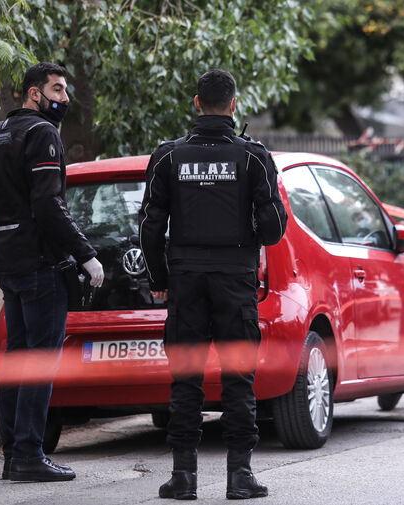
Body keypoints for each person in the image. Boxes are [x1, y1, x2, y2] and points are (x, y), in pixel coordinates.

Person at [0, 62, 104, 482]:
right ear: (34, 94)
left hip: (10, 264)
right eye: (57, 89)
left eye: (65, 90)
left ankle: (13, 457)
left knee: (16, 364)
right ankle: (30, 455)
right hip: (40, 265)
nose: (64, 98)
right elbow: (49, 206)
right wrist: (87, 255)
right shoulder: (42, 134)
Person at [139, 69, 288, 500]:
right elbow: (275, 226)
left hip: (185, 281)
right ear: (234, 104)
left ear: (196, 103)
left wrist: (159, 278)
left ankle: (183, 477)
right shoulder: (253, 157)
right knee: (239, 377)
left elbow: (150, 226)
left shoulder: (168, 156)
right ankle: (239, 476)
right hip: (235, 281)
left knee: (185, 378)